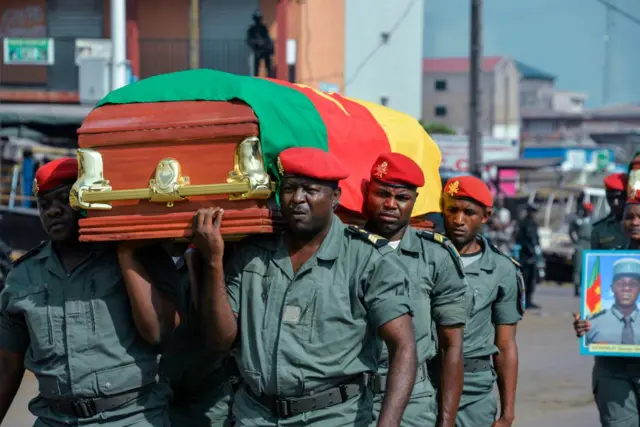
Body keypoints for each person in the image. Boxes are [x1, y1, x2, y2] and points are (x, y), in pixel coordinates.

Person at [192, 147, 417, 427]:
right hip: (254, 415)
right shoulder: (251, 252)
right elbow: (221, 340)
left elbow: (404, 347)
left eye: (310, 190)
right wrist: (213, 262)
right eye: (289, 189)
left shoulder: (367, 259)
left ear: (335, 198)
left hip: (332, 417)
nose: (298, 199)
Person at [0, 158, 182, 426]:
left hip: (131, 417)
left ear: (88, 200)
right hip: (54, 419)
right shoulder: (23, 276)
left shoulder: (139, 256)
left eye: (65, 199)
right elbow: (6, 365)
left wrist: (126, 253)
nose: (53, 211)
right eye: (44, 205)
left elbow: (159, 334)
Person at [362, 153, 470, 427]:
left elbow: (451, 345)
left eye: (401, 198)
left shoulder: (435, 256)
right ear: (366, 192)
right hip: (349, 399)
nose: (390, 204)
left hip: (413, 401)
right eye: (382, 194)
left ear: (414, 202)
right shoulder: (344, 249)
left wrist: (446, 421)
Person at [441, 176, 522, 427]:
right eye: (452, 210)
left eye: (469, 213)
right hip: (427, 384)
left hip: (474, 391)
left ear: (486, 216)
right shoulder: (425, 258)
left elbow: (506, 346)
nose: (458, 220)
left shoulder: (501, 269)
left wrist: (507, 413)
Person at [574, 193, 640, 426]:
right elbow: (591, 314)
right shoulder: (604, 261)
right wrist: (585, 325)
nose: (634, 222)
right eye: (629, 217)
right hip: (613, 370)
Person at [160, 243, 234, 427]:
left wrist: (194, 257)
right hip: (153, 398)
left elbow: (212, 329)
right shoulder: (148, 257)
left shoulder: (219, 255)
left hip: (205, 398)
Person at [585, 258, 640, 345]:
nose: (626, 288)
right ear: (612, 288)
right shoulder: (593, 322)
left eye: (633, 284)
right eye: (620, 283)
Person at [591, 173, 628, 250]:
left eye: (620, 197)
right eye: (611, 198)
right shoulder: (600, 229)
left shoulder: (636, 225)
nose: (615, 203)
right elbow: (594, 260)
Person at [515, 203, 541, 309]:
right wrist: (529, 249)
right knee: (524, 279)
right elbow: (520, 239)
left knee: (532, 279)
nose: (534, 214)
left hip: (533, 255)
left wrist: (537, 248)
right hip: (525, 255)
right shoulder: (523, 223)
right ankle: (522, 301)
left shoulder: (534, 223)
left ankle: (529, 301)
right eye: (532, 211)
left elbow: (536, 238)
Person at [570, 201, 594, 297]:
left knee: (588, 267)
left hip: (589, 244)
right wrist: (575, 241)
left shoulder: (593, 221)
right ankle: (577, 287)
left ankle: (586, 287)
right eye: (585, 210)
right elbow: (571, 231)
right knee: (578, 267)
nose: (587, 212)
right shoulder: (578, 220)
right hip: (580, 243)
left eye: (588, 210)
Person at [246, 10, 274, 77]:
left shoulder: (263, 28)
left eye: (259, 18)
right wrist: (256, 43)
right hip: (257, 50)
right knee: (256, 66)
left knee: (268, 64)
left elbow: (267, 38)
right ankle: (256, 78)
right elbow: (249, 40)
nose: (258, 20)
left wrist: (268, 45)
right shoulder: (251, 29)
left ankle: (270, 77)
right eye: (257, 18)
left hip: (265, 49)